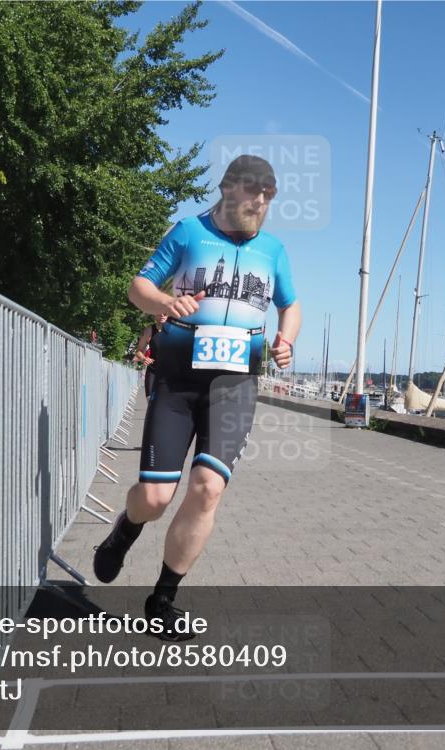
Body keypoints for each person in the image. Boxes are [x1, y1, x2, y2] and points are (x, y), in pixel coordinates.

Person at [93, 154, 301, 640]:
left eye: (269, 195)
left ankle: (163, 599)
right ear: (229, 189)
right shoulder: (188, 232)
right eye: (255, 192)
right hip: (178, 380)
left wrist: (285, 340)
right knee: (155, 496)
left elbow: (290, 304)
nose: (262, 202)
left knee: (208, 488)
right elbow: (138, 286)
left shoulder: (272, 250)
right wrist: (164, 302)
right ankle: (126, 528)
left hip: (235, 386)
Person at [134, 313, 167, 398]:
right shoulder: (149, 330)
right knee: (150, 401)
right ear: (154, 315)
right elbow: (139, 351)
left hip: (169, 373)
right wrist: (144, 358)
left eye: (165, 313)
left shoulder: (176, 330)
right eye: (160, 313)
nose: (162, 315)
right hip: (153, 371)